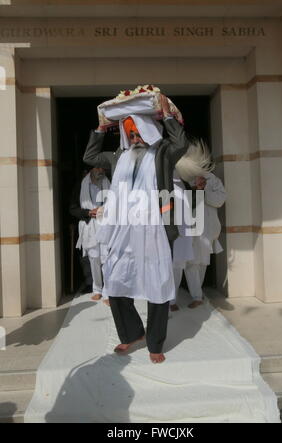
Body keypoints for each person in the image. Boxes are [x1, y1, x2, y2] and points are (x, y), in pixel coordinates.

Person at [83, 93, 190, 364]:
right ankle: (132, 333)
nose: (135, 140)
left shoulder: (163, 152)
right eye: (130, 136)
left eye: (138, 134)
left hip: (155, 228)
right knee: (116, 281)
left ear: (146, 130)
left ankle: (155, 343)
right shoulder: (119, 156)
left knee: (157, 284)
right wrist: (100, 129)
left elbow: (181, 142)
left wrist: (166, 115)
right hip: (123, 231)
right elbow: (90, 155)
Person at [171, 170, 226, 310]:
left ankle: (197, 296)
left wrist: (204, 189)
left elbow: (219, 200)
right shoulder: (185, 177)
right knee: (179, 263)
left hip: (205, 228)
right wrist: (195, 189)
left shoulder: (213, 180)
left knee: (198, 263)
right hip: (186, 226)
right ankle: (172, 300)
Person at [70, 166, 111, 304]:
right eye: (98, 167)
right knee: (94, 259)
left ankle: (107, 292)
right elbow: (72, 209)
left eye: (103, 168)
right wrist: (88, 213)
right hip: (90, 226)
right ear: (91, 169)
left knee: (107, 259)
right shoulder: (81, 185)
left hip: (105, 224)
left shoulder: (108, 183)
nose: (101, 170)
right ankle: (97, 289)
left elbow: (116, 203)